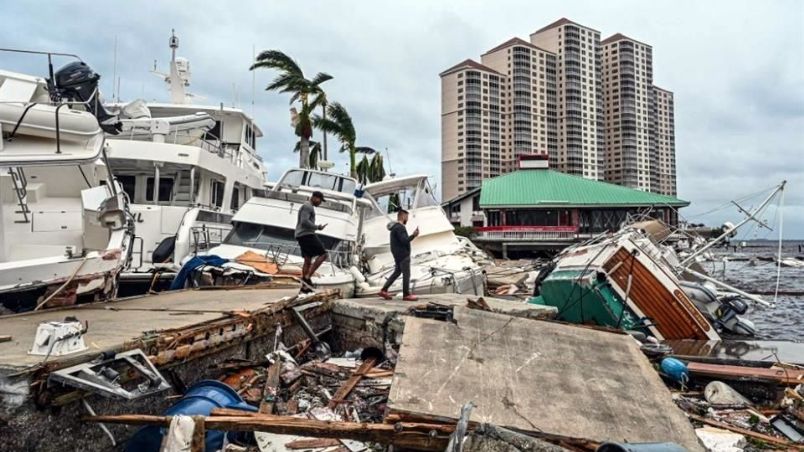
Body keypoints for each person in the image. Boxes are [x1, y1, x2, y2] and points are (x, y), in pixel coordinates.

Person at [379, 209, 420, 301]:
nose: (407, 219)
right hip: (403, 255)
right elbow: (404, 240)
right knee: (406, 274)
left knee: (397, 272)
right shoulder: (400, 227)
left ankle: (384, 290)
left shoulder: (394, 228)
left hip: (397, 254)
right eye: (407, 217)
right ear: (403, 216)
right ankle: (406, 295)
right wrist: (413, 235)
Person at [295, 191, 328, 292]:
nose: (320, 203)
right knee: (324, 254)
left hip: (301, 235)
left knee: (307, 259)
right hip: (307, 234)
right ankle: (307, 277)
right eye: (320, 200)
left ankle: (304, 286)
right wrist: (317, 227)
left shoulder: (307, 206)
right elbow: (304, 222)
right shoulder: (308, 206)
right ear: (314, 197)